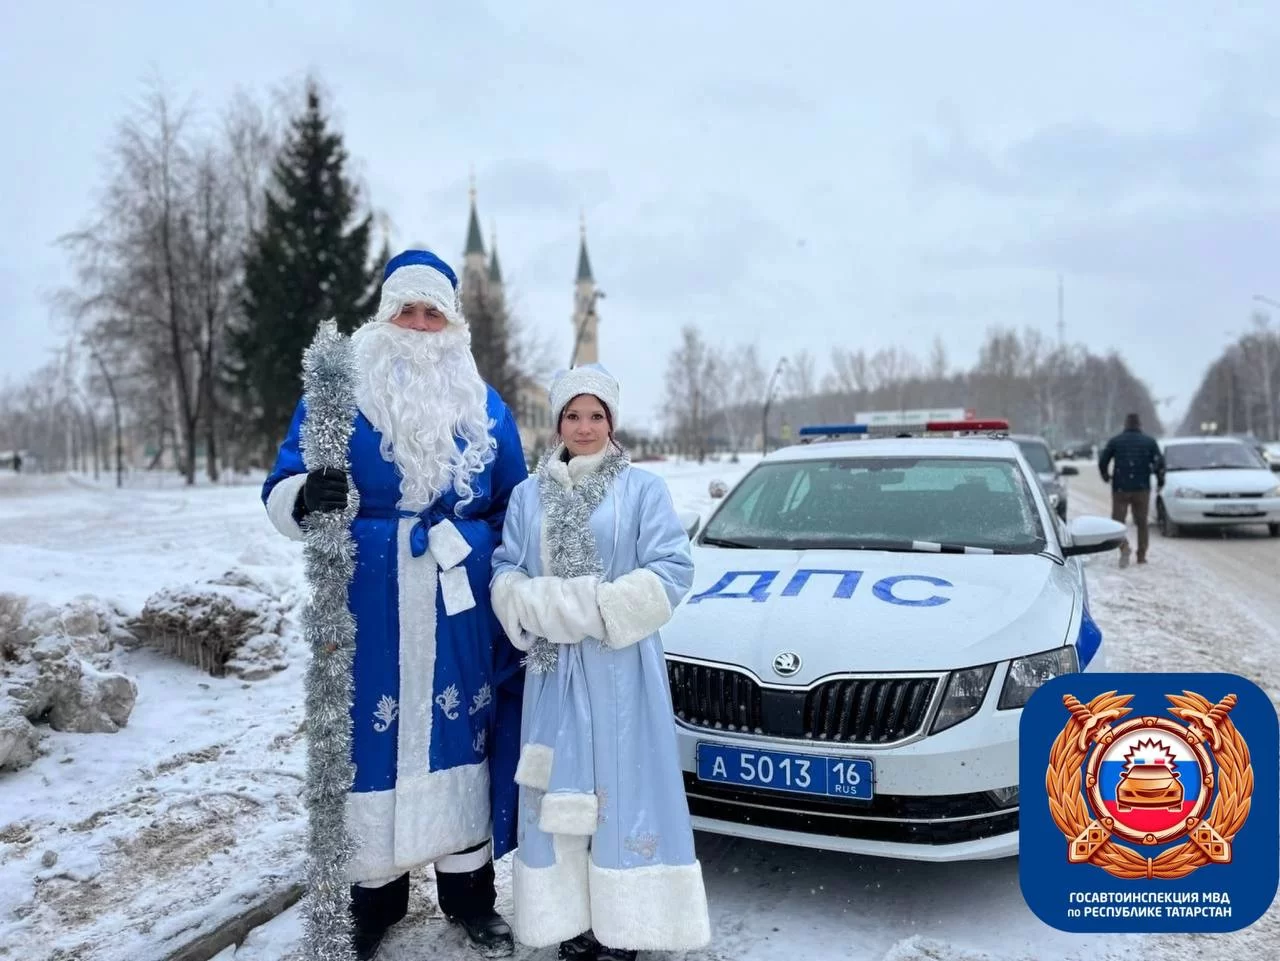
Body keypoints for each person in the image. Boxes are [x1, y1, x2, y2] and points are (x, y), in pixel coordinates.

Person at [262, 249, 528, 959]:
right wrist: (305, 496)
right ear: (382, 317)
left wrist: (507, 572)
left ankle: (470, 897)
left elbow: (514, 502)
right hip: (367, 601)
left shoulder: (485, 401)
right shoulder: (336, 395)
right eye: (405, 310)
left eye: (431, 311)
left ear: (452, 322)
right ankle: (372, 900)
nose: (418, 324)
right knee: (371, 739)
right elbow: (286, 480)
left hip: (460, 608)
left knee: (460, 736)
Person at [490, 364, 711, 961]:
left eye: (596, 416)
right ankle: (571, 919)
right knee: (557, 793)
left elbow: (672, 569)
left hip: (620, 672)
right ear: (558, 422)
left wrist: (593, 608)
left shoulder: (642, 489)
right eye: (572, 415)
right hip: (551, 674)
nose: (583, 427)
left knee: (621, 790)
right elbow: (506, 567)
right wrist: (530, 601)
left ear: (612, 422)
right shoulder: (526, 494)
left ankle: (626, 922)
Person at [1098, 412, 1164, 566]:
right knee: (1142, 522)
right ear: (1139, 425)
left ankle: (1124, 547)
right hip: (1142, 488)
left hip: (1120, 488)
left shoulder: (1116, 441)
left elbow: (1103, 461)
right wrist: (1159, 479)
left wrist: (1106, 476)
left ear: (1125, 425)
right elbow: (1159, 463)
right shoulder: (1149, 442)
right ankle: (1141, 554)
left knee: (1118, 522)